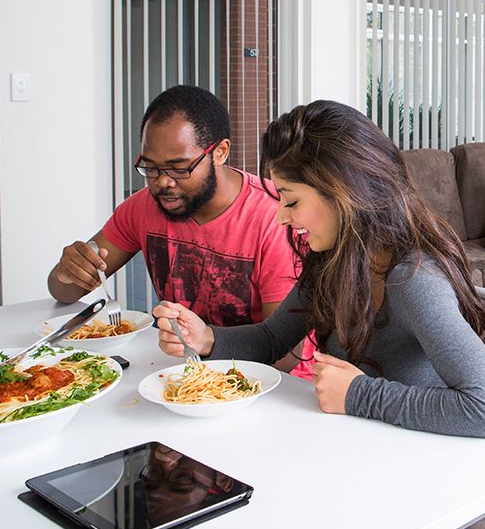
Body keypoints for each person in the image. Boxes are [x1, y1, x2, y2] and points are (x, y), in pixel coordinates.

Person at [152, 100, 485, 439]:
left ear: (344, 192)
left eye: (291, 200)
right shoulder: (334, 259)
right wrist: (208, 338)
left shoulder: (413, 279)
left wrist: (358, 394)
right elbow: (273, 339)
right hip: (356, 441)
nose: (281, 216)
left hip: (420, 463)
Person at [48, 85, 302, 365]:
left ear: (220, 152)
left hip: (269, 386)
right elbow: (63, 292)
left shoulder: (276, 217)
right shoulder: (142, 207)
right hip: (183, 373)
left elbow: (285, 353)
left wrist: (207, 344)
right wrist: (68, 271)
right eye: (151, 168)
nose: (163, 182)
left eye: (179, 168)